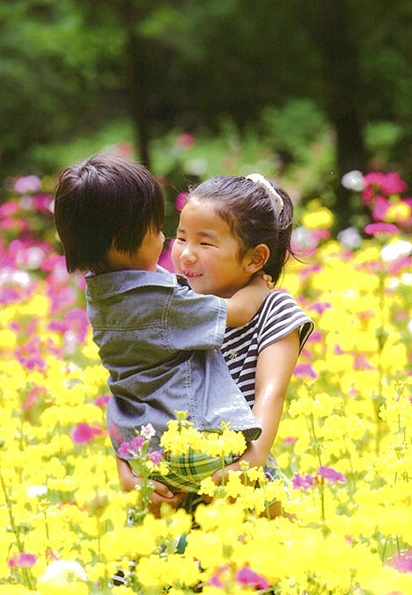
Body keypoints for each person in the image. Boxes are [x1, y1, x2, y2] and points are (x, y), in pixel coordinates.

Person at [53, 155, 270, 511]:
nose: (166, 240)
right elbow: (239, 312)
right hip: (191, 443)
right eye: (158, 230)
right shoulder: (157, 302)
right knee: (270, 493)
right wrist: (262, 281)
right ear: (125, 242)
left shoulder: (102, 297)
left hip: (145, 450)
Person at [117, 173, 314, 517]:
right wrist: (127, 470)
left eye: (205, 243)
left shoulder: (274, 311)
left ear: (255, 259)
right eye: (180, 238)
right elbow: (132, 387)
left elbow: (271, 395)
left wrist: (250, 464)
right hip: (167, 492)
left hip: (238, 483)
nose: (186, 255)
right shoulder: (170, 303)